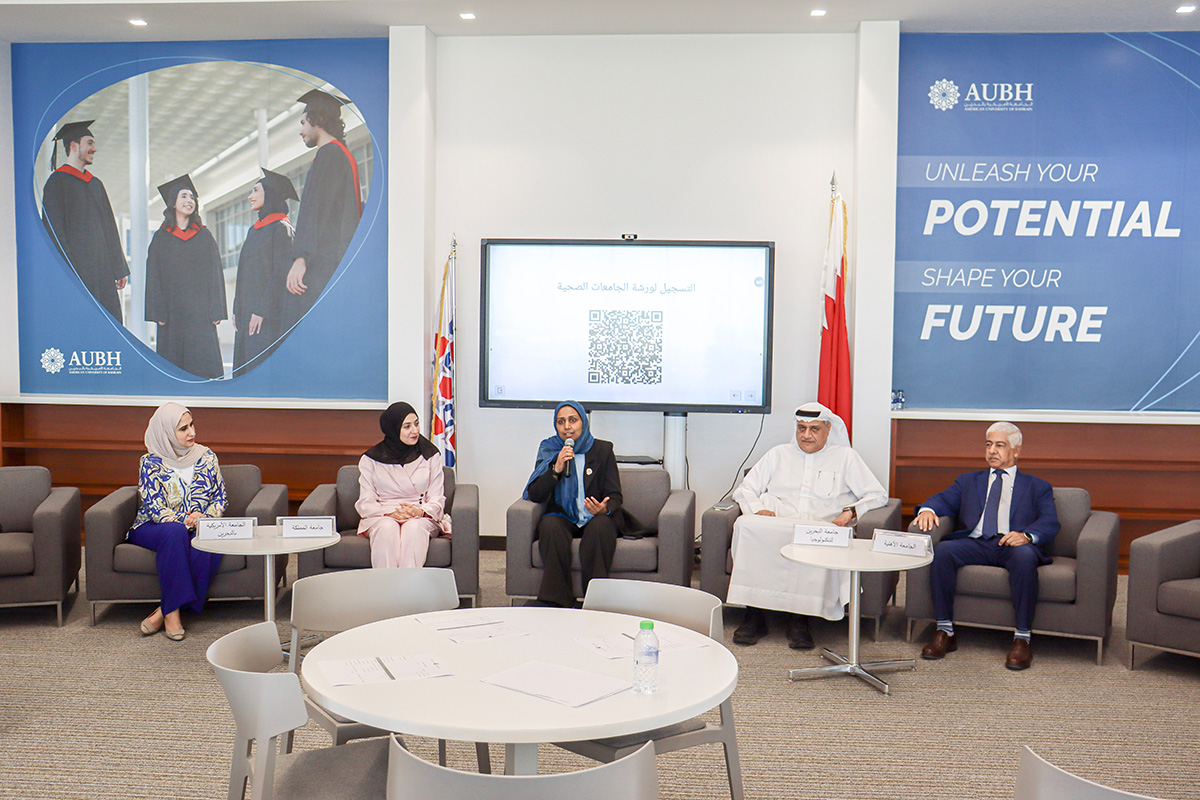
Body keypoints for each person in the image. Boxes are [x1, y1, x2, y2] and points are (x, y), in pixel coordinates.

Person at [728, 402, 887, 649]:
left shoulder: (846, 457)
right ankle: (754, 615)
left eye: (814, 429)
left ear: (828, 429)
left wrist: (850, 512)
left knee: (807, 538)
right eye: (801, 428)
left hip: (819, 527)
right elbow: (745, 489)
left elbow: (878, 495)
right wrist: (758, 510)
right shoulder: (778, 454)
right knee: (745, 525)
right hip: (778, 523)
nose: (806, 435)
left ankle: (799, 620)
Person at [915, 421, 1059, 670]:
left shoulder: (1038, 486)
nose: (992, 450)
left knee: (1025, 558)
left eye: (1000, 445)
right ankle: (945, 631)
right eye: (989, 444)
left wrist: (1026, 536)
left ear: (1016, 451)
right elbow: (942, 499)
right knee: (942, 552)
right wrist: (928, 509)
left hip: (1012, 545)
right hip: (976, 542)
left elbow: (1049, 521)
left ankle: (1022, 638)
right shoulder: (968, 481)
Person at [127, 403, 228, 641]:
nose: (192, 432)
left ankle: (164, 610)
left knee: (207, 545)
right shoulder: (150, 462)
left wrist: (206, 517)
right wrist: (186, 519)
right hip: (154, 527)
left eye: (191, 425)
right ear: (165, 433)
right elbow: (153, 507)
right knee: (174, 533)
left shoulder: (207, 457)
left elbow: (220, 496)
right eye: (183, 429)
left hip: (199, 526)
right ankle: (172, 615)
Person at [524, 400, 627, 608]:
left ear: (583, 422)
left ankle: (595, 601)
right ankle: (557, 601)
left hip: (595, 517)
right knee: (550, 526)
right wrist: (556, 468)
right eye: (561, 422)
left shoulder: (602, 450)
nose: (567, 427)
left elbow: (615, 495)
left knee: (600, 527)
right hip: (563, 515)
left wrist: (603, 508)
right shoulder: (550, 449)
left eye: (573, 420)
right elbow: (535, 494)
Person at [283, 88, 362, 329]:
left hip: (323, 265)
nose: (301, 130)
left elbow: (316, 213)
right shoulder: (341, 154)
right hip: (334, 260)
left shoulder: (330, 155)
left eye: (303, 122)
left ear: (317, 121)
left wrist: (301, 258)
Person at [40, 119, 130, 321]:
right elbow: (53, 231)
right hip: (76, 270)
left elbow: (109, 226)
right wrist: (67, 269)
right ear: (73, 145)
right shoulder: (56, 183)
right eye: (89, 143)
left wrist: (118, 267)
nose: (94, 149)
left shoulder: (95, 184)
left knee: (110, 321)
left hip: (102, 268)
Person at [145, 174, 228, 379]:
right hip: (171, 313)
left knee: (202, 364)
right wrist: (158, 311)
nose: (189, 201)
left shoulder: (204, 235)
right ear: (173, 203)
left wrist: (216, 308)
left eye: (192, 197)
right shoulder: (161, 237)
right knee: (173, 367)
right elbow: (153, 276)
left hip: (200, 313)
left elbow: (215, 273)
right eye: (184, 196)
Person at [356, 402, 451, 568]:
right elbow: (366, 501)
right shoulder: (370, 459)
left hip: (421, 513)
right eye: (407, 426)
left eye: (416, 423)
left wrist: (420, 511)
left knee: (413, 527)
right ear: (392, 429)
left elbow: (437, 497)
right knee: (386, 528)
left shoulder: (430, 455)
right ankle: (387, 589)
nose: (415, 431)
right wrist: (390, 513)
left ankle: (409, 590)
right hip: (383, 514)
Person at [232, 168, 297, 377]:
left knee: (259, 370)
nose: (250, 196)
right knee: (243, 368)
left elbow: (280, 274)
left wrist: (262, 310)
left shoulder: (282, 229)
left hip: (266, 317)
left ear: (270, 193)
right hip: (247, 313)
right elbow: (242, 273)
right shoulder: (254, 230)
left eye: (255, 191)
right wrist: (236, 308)